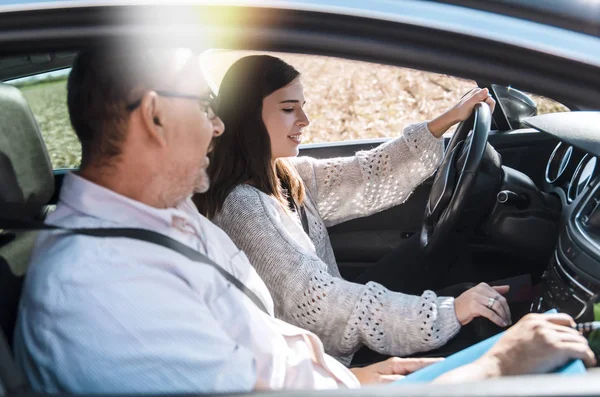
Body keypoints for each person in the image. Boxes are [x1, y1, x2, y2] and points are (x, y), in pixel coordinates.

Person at [13, 48, 595, 395]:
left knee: (544, 343)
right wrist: (493, 363)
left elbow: (266, 343)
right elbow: (318, 306)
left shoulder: (166, 220)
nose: (215, 127)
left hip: (341, 381)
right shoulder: (102, 289)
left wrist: (357, 379)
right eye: (203, 106)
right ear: (156, 115)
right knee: (543, 356)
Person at [195, 55, 507, 363]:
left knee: (448, 267)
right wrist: (445, 313)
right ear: (248, 116)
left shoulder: (284, 173)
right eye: (289, 109)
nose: (304, 120)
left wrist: (447, 119)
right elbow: (320, 303)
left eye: (302, 106)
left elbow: (368, 172)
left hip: (335, 323)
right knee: (475, 322)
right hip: (321, 357)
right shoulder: (243, 208)